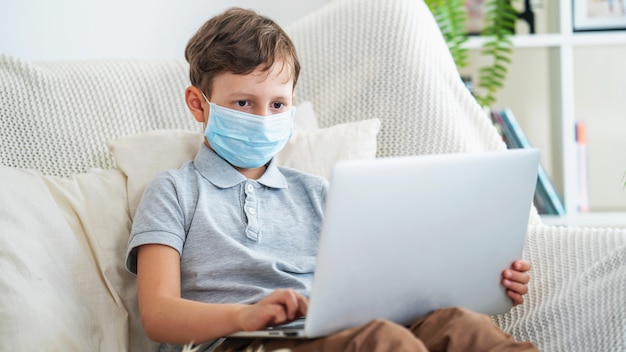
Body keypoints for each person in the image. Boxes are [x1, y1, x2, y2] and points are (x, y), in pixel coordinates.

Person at [125, 7, 538, 352]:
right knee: (382, 342)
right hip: (239, 340)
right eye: (243, 102)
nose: (263, 118)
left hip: (330, 330)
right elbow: (158, 315)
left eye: (278, 104)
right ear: (199, 104)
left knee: (461, 326)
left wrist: (483, 279)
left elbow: (386, 284)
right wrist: (245, 314)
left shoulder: (319, 194)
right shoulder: (174, 191)